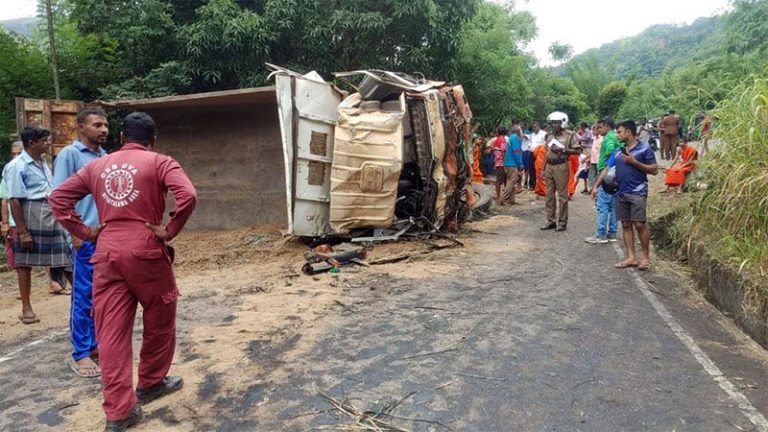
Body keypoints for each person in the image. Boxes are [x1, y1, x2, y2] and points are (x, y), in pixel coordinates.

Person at [49, 112, 197, 431]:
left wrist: (84, 231)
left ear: (121, 138)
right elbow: (188, 195)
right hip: (146, 247)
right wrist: (169, 230)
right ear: (152, 140)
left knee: (111, 332)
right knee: (160, 316)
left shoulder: (97, 166)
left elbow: (58, 197)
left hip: (106, 250)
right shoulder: (160, 162)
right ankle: (151, 382)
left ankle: (119, 412)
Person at [53, 108, 109, 378]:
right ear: (81, 128)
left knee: (102, 294)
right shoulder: (70, 155)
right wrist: (75, 233)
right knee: (83, 294)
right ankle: (81, 353)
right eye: (97, 125)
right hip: (84, 237)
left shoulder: (105, 157)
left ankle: (95, 343)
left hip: (104, 237)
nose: (104, 129)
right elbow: (59, 197)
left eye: (105, 125)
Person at [3, 127, 72, 324]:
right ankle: (27, 309)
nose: (47, 144)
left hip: (50, 212)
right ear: (32, 143)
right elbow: (14, 200)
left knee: (66, 257)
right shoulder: (16, 166)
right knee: (24, 263)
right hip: (30, 213)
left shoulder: (43, 163)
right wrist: (23, 232)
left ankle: (84, 301)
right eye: (43, 140)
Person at [599, 120, 658, 270]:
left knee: (639, 224)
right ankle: (631, 257)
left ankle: (645, 258)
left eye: (619, 132)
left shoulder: (644, 149)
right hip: (621, 192)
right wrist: (596, 186)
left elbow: (654, 170)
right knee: (625, 224)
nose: (617, 135)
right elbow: (607, 169)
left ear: (628, 132)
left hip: (638, 191)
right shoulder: (619, 151)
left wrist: (634, 162)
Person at [540, 112, 581, 231]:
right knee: (549, 195)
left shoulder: (570, 135)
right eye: (552, 123)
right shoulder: (549, 136)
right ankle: (550, 220)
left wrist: (562, 150)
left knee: (562, 195)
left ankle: (562, 222)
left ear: (563, 122)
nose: (554, 125)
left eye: (557, 123)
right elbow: (547, 153)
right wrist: (543, 169)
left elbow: (578, 151)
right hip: (549, 166)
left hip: (561, 165)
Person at [500, 126, 524, 205]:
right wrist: (520, 164)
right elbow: (516, 152)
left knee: (511, 181)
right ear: (518, 132)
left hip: (508, 163)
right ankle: (503, 199)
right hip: (512, 163)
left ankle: (511, 200)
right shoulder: (515, 138)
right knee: (511, 182)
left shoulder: (511, 138)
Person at [486, 127, 508, 202]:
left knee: (500, 180)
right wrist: (505, 163)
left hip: (497, 162)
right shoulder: (503, 140)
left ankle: (501, 196)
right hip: (502, 163)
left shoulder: (496, 140)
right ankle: (500, 197)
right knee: (502, 181)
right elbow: (503, 152)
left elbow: (492, 149)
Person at [528, 122, 547, 190]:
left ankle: (539, 186)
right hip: (531, 153)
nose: (534, 128)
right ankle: (532, 185)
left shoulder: (544, 134)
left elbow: (546, 144)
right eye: (533, 127)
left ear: (539, 127)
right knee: (531, 169)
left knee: (538, 169)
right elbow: (530, 143)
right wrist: (529, 147)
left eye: (536, 127)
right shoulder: (532, 135)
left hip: (540, 154)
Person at [587, 124, 602, 192]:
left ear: (598, 130)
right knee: (592, 175)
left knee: (599, 175)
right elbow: (593, 150)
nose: (592, 132)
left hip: (599, 160)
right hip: (593, 160)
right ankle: (593, 189)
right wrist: (588, 158)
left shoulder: (602, 138)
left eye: (593, 130)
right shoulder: (594, 138)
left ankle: (597, 189)